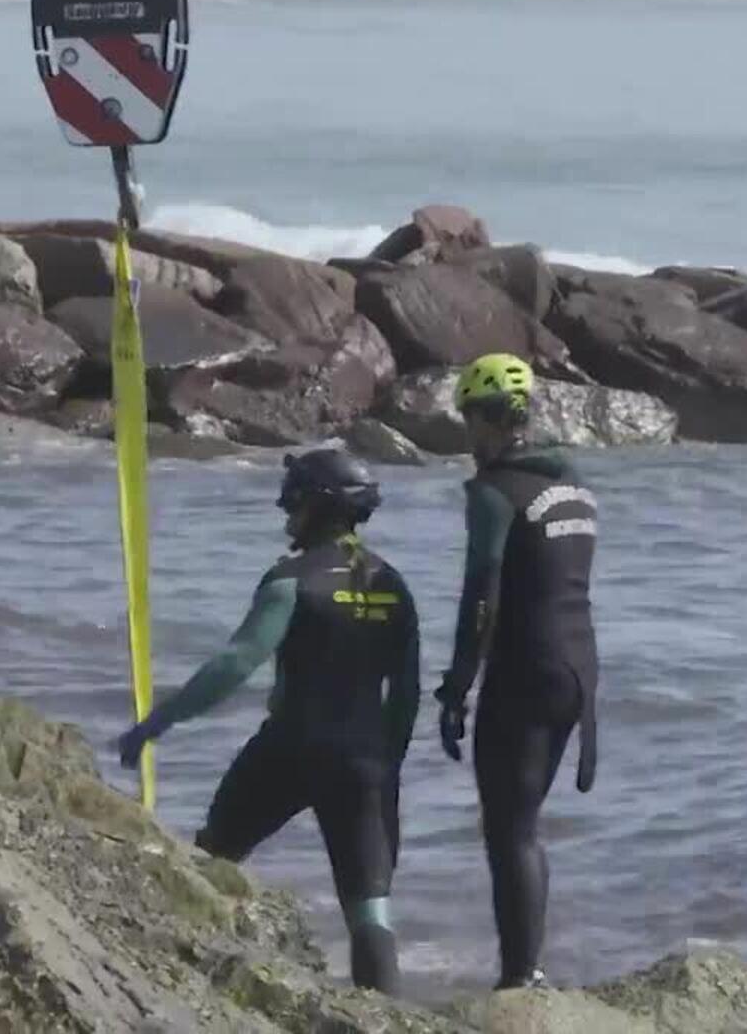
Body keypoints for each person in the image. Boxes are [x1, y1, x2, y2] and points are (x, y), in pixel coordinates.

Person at [116, 448, 419, 994]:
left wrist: (159, 721)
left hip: (289, 749)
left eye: (294, 501)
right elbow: (407, 692)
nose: (286, 515)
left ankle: (184, 989)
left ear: (317, 506)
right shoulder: (394, 586)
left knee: (211, 860)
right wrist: (385, 763)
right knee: (370, 909)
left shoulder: (290, 580)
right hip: (367, 761)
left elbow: (236, 663)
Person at [436, 353, 600, 991]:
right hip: (578, 669)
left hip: (526, 670)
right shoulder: (573, 486)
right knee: (525, 826)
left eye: (467, 421)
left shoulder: (494, 492)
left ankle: (519, 981)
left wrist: (456, 688)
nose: (467, 437)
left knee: (509, 829)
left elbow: (482, 594)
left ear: (485, 419)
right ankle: (526, 969)